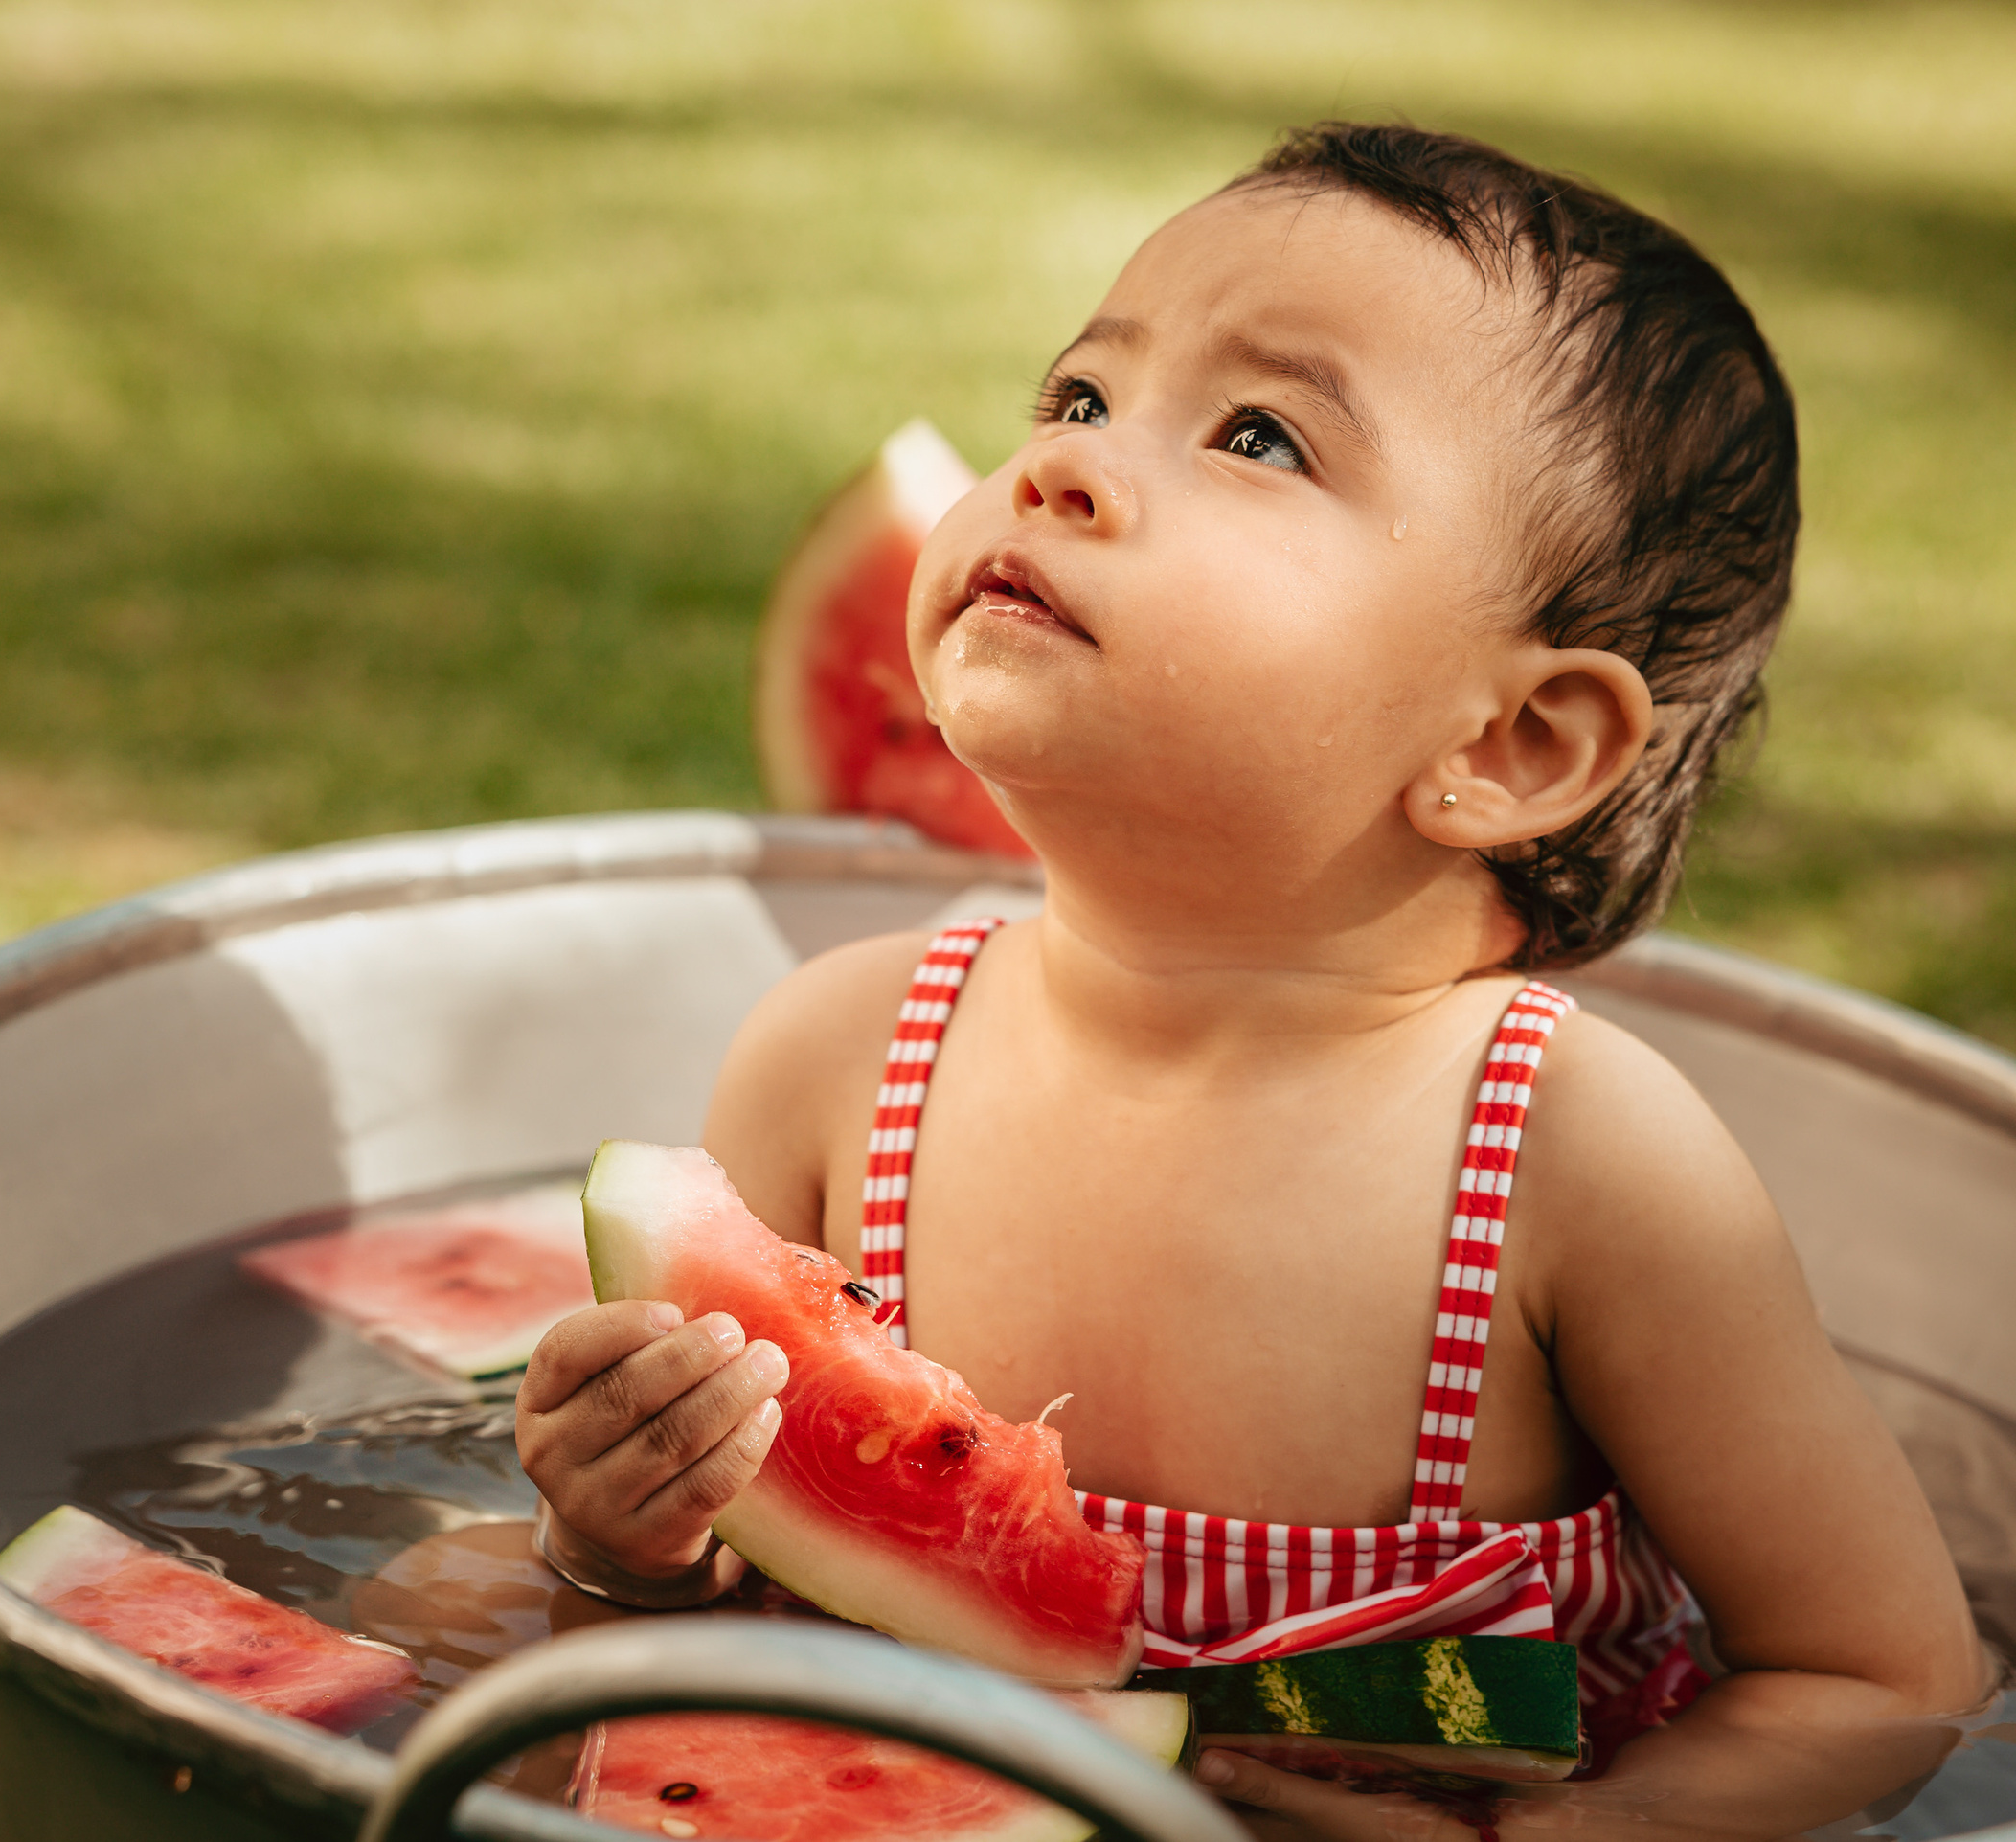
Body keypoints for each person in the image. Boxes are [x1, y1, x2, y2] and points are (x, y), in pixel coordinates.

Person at [513, 123, 1992, 1838]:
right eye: (1079, 396)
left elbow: (1883, 1678)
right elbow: (710, 1613)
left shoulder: (1578, 1159)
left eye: (1258, 437)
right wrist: (618, 1537)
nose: (1065, 466)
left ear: (1514, 745)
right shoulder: (838, 1057)